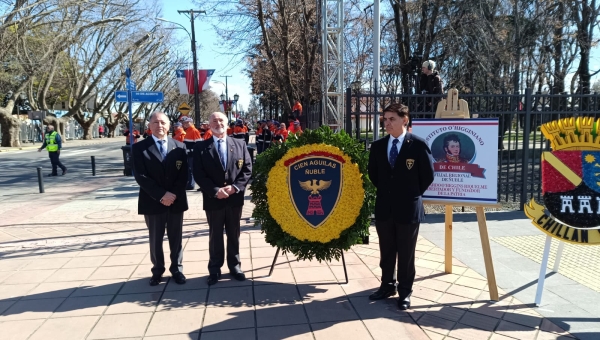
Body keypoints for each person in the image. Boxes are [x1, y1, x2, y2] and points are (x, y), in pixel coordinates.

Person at [367, 103, 434, 310]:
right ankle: (387, 285)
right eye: (385, 119)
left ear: (404, 120)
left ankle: (405, 292)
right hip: (385, 208)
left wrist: (409, 193)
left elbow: (428, 176)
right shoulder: (378, 146)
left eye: (392, 119)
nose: (387, 123)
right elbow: (374, 175)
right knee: (386, 251)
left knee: (406, 254)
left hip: (408, 208)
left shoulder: (418, 145)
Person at [193, 112, 252, 286]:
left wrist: (235, 188)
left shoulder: (240, 144)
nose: (217, 123)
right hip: (213, 199)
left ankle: (235, 266)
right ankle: (214, 269)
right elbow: (198, 173)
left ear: (227, 124)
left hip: (234, 199)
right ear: (209, 124)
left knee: (234, 234)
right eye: (214, 120)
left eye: (221, 120)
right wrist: (214, 190)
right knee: (215, 235)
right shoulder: (201, 147)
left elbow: (247, 169)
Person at [132, 112, 189, 286]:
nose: (160, 125)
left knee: (176, 238)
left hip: (175, 200)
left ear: (169, 125)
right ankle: (157, 271)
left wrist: (172, 195)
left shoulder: (179, 146)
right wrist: (161, 195)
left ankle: (177, 269)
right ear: (149, 125)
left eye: (163, 122)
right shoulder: (139, 148)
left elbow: (184, 175)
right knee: (155, 238)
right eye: (155, 122)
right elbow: (141, 176)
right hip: (152, 201)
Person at [181, 116, 202, 190]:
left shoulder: (194, 130)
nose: (185, 124)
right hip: (189, 154)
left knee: (193, 170)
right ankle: (190, 184)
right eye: (184, 123)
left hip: (192, 155)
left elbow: (199, 144)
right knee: (190, 169)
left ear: (191, 123)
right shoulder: (188, 131)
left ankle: (197, 185)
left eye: (187, 122)